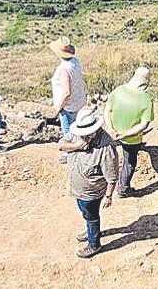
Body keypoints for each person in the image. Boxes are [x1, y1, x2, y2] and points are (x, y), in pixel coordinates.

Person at [59, 108, 118, 258]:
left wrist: (108, 196)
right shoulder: (77, 133)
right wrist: (77, 146)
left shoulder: (106, 147)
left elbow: (112, 176)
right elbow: (62, 145)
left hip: (92, 192)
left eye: (86, 135)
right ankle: (91, 230)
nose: (82, 137)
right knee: (86, 213)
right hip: (78, 189)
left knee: (91, 215)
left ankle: (94, 244)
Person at [104, 67, 155, 198]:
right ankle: (123, 189)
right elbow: (145, 124)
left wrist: (111, 129)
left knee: (108, 157)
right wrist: (125, 134)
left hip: (113, 133)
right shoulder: (146, 98)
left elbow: (107, 111)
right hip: (131, 139)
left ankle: (104, 181)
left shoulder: (118, 91)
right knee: (130, 162)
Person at [49, 36, 88, 164]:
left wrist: (58, 107)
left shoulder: (63, 69)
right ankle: (81, 145)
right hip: (78, 100)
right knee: (77, 127)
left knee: (67, 131)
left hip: (68, 105)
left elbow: (66, 92)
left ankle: (69, 153)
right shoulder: (76, 61)